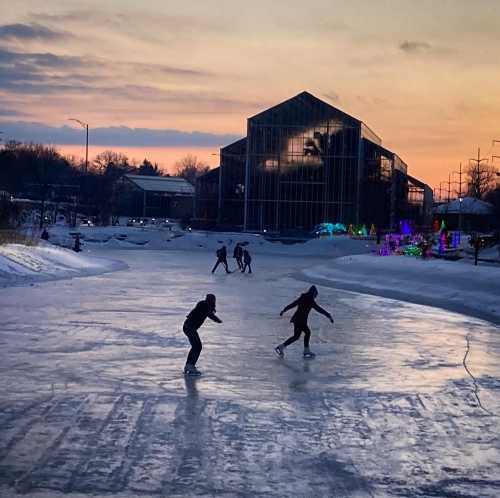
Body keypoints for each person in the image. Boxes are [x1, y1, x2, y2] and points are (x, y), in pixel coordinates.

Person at [275, 285, 333, 359]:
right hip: (300, 320)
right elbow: (319, 309)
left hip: (297, 319)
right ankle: (306, 350)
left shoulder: (303, 298)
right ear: (313, 293)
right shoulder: (310, 300)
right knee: (307, 332)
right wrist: (329, 315)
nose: (315, 297)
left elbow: (293, 304)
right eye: (315, 295)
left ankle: (281, 347)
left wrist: (284, 310)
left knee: (296, 336)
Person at [183, 294, 222, 376]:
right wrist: (217, 320)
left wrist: (217, 320)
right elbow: (210, 314)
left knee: (196, 346)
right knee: (197, 346)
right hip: (189, 327)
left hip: (188, 327)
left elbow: (209, 314)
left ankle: (189, 365)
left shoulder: (205, 305)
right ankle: (190, 366)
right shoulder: (204, 305)